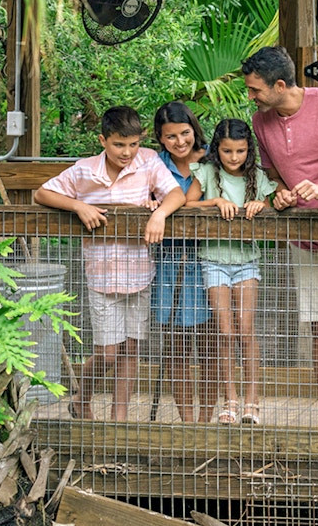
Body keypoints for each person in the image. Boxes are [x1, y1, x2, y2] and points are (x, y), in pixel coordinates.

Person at [241, 46, 318, 428]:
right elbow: (275, 173)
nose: (251, 97)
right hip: (304, 237)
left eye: (256, 90)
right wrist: (279, 191)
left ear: (280, 85)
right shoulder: (261, 122)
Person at [33, 106, 185, 421]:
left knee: (131, 348)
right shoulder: (84, 170)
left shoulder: (148, 162)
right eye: (119, 145)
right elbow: (42, 193)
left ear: (140, 140)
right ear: (103, 140)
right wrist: (78, 206)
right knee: (107, 352)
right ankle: (81, 398)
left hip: (139, 273)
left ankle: (120, 417)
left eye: (132, 144)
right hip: (101, 276)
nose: (126, 152)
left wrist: (158, 213)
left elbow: (175, 195)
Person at [186, 119, 278, 424]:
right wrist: (214, 202)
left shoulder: (257, 177)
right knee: (224, 331)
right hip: (213, 259)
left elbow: (268, 203)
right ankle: (231, 400)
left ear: (248, 150)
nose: (234, 157)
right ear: (217, 149)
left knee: (245, 329)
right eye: (227, 151)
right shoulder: (207, 173)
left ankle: (253, 400)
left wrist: (258, 206)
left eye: (240, 151)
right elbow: (187, 204)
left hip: (246, 261)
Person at [151, 101, 220, 423]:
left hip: (209, 258)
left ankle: (206, 420)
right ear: (160, 139)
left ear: (194, 129)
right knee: (177, 347)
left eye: (184, 133)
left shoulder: (213, 157)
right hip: (169, 260)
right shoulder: (154, 164)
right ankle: (187, 422)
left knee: (210, 346)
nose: (180, 142)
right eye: (171, 136)